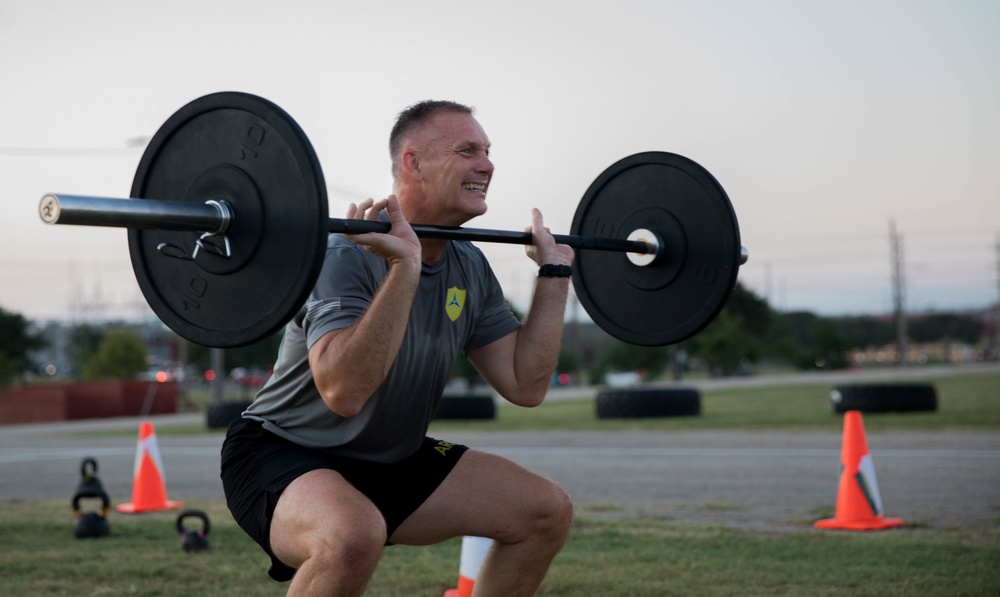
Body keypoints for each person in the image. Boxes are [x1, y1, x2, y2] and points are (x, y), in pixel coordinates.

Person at [220, 100, 576, 596]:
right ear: (414, 163)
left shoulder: (468, 266)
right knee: (350, 536)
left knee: (544, 511)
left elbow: (525, 385)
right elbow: (344, 392)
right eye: (468, 150)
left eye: (488, 151)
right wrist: (403, 268)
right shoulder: (345, 252)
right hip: (284, 452)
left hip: (391, 458)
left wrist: (555, 273)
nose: (487, 165)